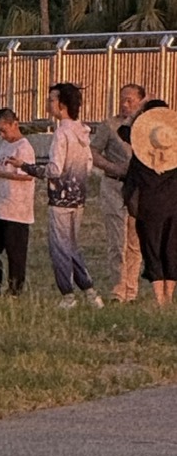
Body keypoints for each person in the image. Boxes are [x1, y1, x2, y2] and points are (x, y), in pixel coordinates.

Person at [45, 81, 102, 310]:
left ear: (62, 104)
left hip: (60, 197)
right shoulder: (82, 132)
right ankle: (90, 291)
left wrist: (29, 168)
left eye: (52, 100)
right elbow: (87, 166)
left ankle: (68, 295)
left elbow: (54, 169)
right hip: (78, 197)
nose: (49, 104)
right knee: (72, 245)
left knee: (59, 247)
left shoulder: (62, 133)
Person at [91, 82, 144, 302]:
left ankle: (131, 290)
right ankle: (117, 288)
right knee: (117, 238)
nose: (125, 104)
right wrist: (112, 167)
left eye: (130, 100)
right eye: (122, 99)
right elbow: (93, 152)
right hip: (115, 184)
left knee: (135, 240)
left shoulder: (147, 126)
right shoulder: (110, 125)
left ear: (140, 102)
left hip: (139, 188)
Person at [0, 106, 36, 296]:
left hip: (16, 210)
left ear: (15, 124)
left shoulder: (24, 148)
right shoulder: (5, 145)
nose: (1, 135)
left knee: (15, 254)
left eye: (4, 130)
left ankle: (15, 291)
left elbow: (27, 176)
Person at [126, 102, 177, 309]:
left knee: (152, 250)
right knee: (171, 250)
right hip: (174, 208)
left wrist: (137, 114)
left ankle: (159, 299)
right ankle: (169, 297)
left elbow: (123, 132)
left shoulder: (140, 158)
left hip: (148, 209)